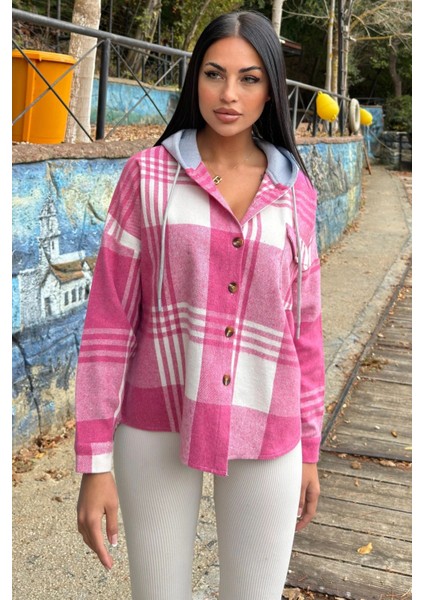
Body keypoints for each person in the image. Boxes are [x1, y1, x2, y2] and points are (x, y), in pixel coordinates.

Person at [75, 9, 325, 600]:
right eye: (214, 74)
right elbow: (109, 320)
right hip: (157, 416)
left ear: (272, 89)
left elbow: (305, 328)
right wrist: (94, 462)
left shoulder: (297, 193)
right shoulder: (148, 178)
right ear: (195, 81)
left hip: (268, 420)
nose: (229, 94)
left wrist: (309, 449)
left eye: (249, 78)